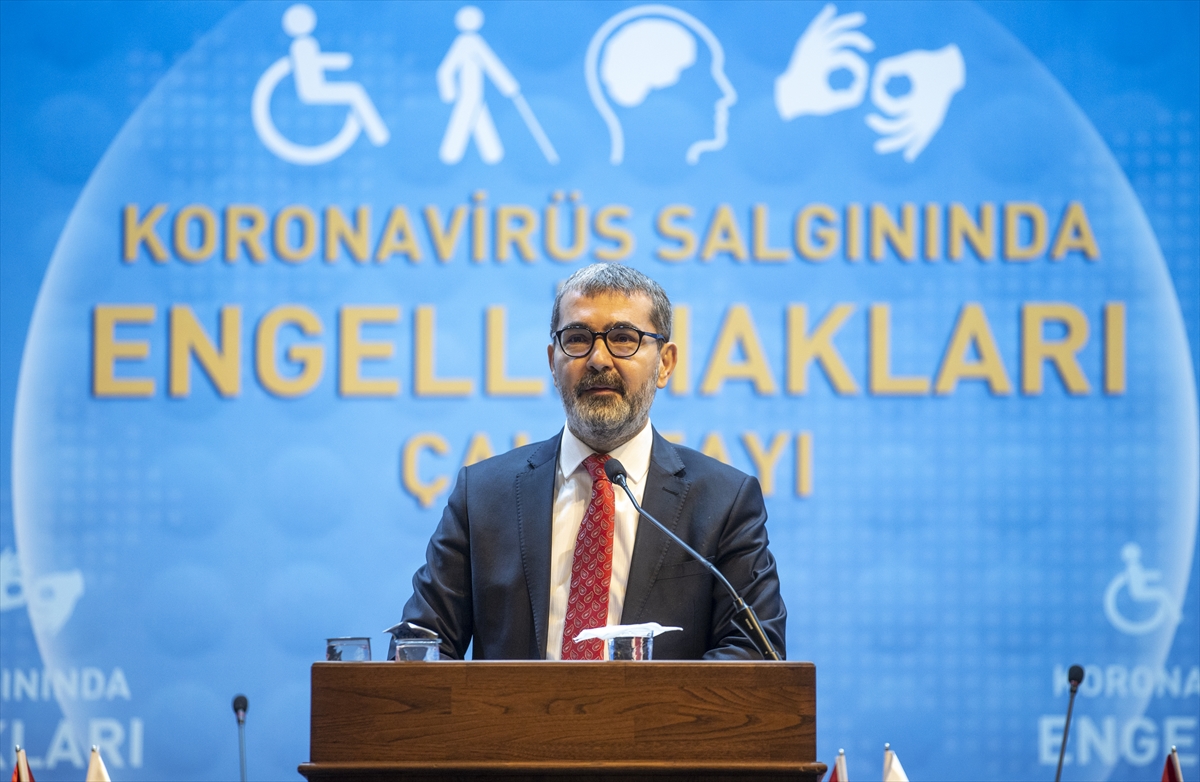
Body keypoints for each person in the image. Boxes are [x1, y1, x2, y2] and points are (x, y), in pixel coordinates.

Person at [400, 263, 785, 660]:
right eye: (578, 339)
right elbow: (421, 645)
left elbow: (754, 654)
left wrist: (641, 704)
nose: (599, 359)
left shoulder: (723, 501)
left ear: (665, 363)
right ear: (553, 362)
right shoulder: (482, 495)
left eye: (623, 338)